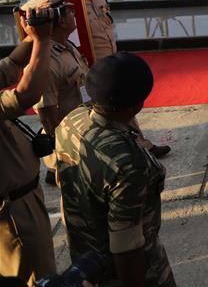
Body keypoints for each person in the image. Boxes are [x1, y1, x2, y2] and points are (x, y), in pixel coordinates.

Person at [55, 53, 177, 287]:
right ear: (137, 104)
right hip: (128, 271)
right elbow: (126, 246)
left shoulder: (72, 120)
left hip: (86, 260)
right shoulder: (127, 163)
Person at [61, 0, 170, 159]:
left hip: (109, 63)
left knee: (123, 105)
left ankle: (140, 144)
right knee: (82, 115)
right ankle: (61, 155)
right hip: (90, 71)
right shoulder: (69, 7)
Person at [0, 6, 55, 284]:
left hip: (24, 199)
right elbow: (27, 94)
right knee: (37, 277)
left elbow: (10, 65)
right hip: (13, 214)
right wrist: (43, 40)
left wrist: (32, 34)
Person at [27, 0, 89, 187]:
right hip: (68, 143)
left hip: (81, 131)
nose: (74, 13)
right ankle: (55, 169)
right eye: (70, 11)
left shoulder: (67, 46)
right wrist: (60, 148)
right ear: (61, 21)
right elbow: (47, 114)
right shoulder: (48, 63)